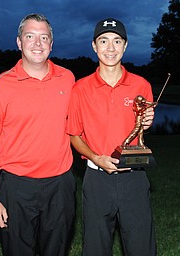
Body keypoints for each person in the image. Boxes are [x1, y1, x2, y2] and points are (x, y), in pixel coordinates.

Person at [0, 13, 76, 256]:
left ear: (52, 44)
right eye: (30, 36)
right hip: (16, 186)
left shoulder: (68, 79)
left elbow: (85, 121)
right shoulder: (0, 85)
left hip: (60, 184)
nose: (37, 43)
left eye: (44, 37)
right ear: (19, 42)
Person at [66, 18, 156, 256]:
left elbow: (141, 128)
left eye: (117, 41)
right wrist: (96, 158)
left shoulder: (141, 85)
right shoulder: (80, 88)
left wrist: (147, 122)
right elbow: (74, 135)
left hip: (134, 178)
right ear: (94, 46)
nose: (110, 48)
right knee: (96, 247)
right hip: (97, 180)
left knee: (141, 247)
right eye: (103, 41)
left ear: (125, 46)